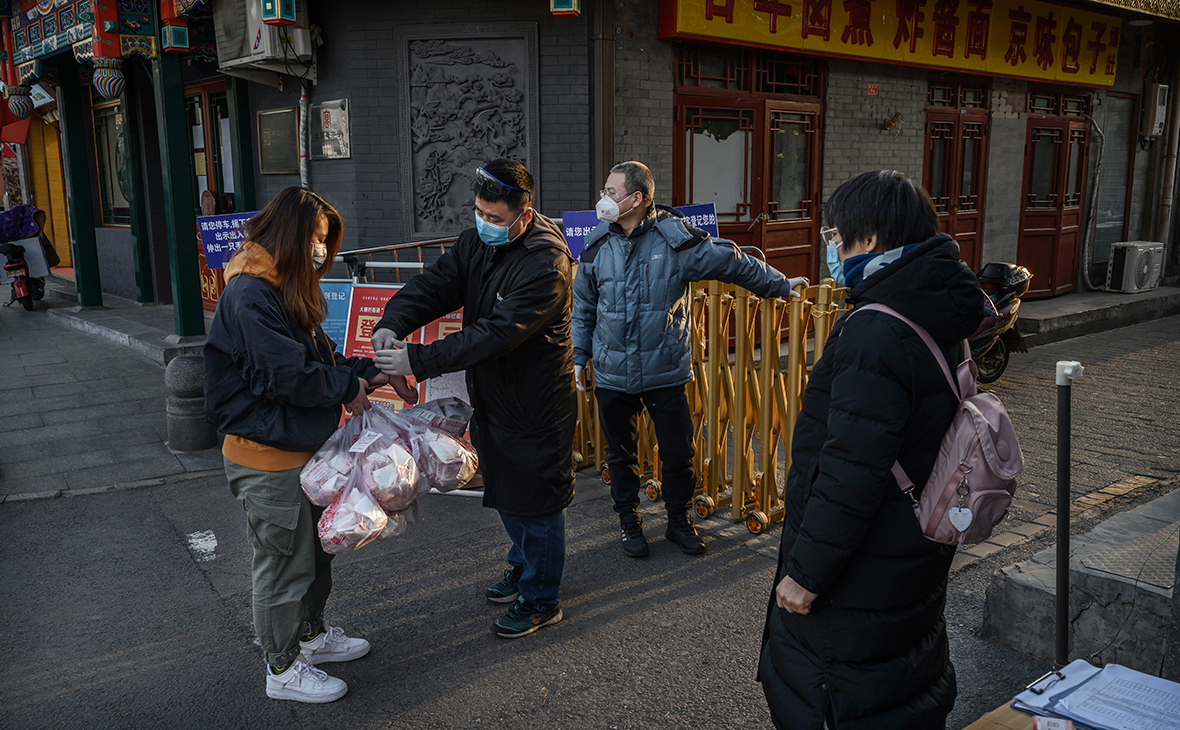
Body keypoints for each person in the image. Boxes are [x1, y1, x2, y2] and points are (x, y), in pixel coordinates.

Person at [758, 171, 987, 729]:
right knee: (899, 668)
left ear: (873, 241)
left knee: (840, 687)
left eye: (839, 238)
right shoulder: (934, 305)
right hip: (911, 537)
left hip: (860, 560)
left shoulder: (876, 329)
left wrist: (807, 573)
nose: (834, 251)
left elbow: (849, 470)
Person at [204, 187, 416, 703]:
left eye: (326, 242)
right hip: (265, 456)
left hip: (302, 452)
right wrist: (349, 387)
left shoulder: (281, 288)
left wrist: (372, 373)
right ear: (294, 237)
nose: (322, 251)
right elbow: (288, 375)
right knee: (283, 564)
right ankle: (282, 669)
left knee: (314, 553)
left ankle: (311, 637)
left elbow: (319, 360)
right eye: (317, 240)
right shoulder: (250, 295)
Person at [370, 158, 576, 639]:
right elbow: (434, 285)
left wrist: (417, 361)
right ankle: (524, 566)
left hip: (536, 402)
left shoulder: (546, 263)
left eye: (496, 218)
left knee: (536, 500)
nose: (484, 223)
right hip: (494, 395)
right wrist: (391, 322)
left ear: (523, 216)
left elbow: (493, 335)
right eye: (480, 212)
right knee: (506, 489)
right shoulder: (476, 243)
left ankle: (542, 597)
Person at [571, 161, 807, 558]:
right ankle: (629, 523)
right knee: (621, 456)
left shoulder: (674, 240)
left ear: (637, 199)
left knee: (679, 455)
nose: (603, 200)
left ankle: (679, 522)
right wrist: (580, 354)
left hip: (664, 370)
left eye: (611, 193)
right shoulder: (596, 245)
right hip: (611, 374)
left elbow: (731, 261)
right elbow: (584, 306)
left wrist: (779, 284)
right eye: (604, 192)